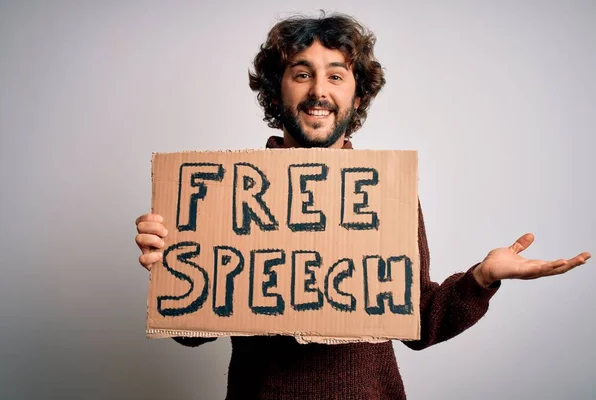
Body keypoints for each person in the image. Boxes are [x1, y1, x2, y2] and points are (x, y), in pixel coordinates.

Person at [134, 13, 590, 400]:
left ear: (356, 97)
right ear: (276, 92)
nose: (318, 90)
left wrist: (481, 279)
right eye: (301, 73)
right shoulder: (222, 194)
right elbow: (195, 332)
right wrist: (170, 268)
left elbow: (418, 319)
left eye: (335, 75)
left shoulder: (384, 192)